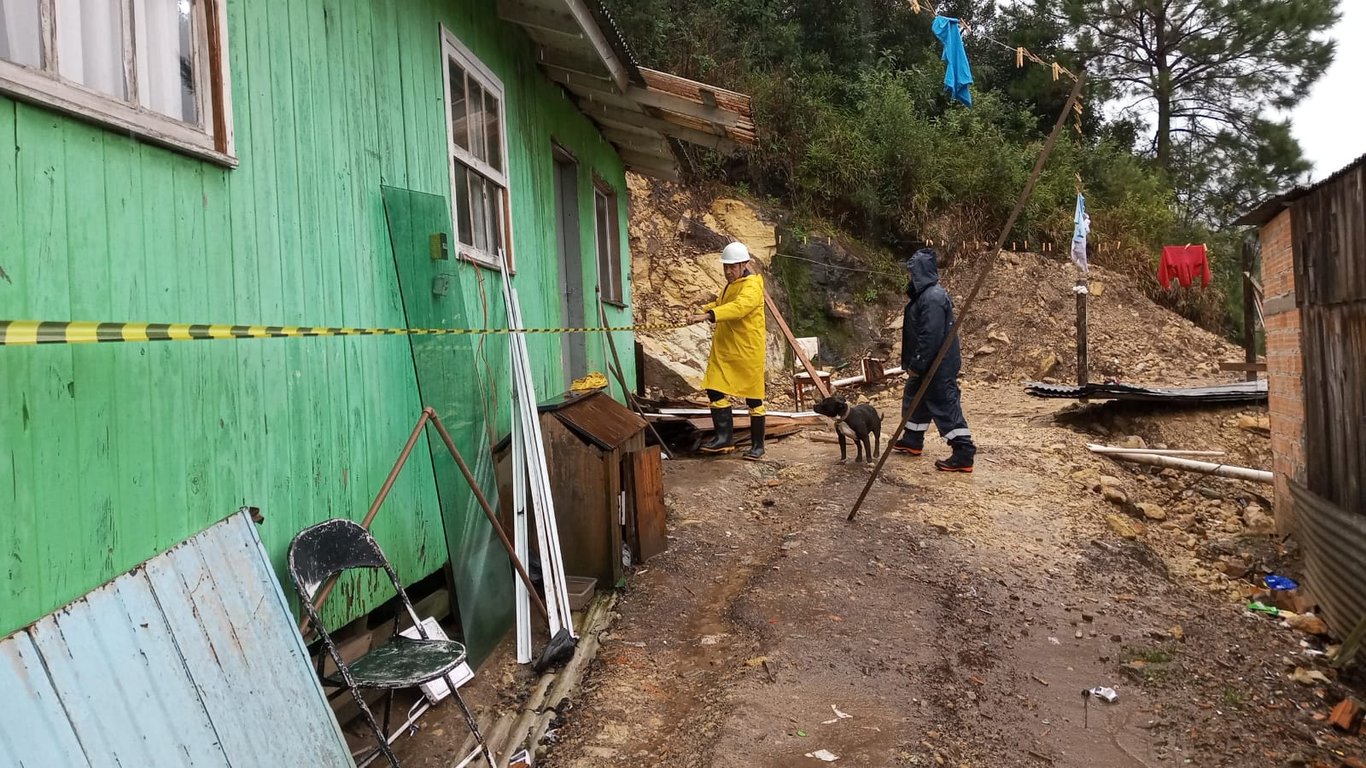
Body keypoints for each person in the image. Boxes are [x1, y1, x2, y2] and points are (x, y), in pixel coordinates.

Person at [891, 247, 976, 472]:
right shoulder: (925, 296)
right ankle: (912, 440)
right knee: (914, 398)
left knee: (944, 404)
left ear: (920, 272)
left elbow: (931, 336)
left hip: (938, 364)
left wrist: (918, 364)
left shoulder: (933, 298)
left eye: (911, 273)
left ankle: (963, 452)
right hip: (927, 362)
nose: (909, 277)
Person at [687, 242, 767, 460]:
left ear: (744, 265)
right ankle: (724, 439)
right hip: (727, 350)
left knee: (753, 399)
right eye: (726, 267)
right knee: (714, 389)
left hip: (747, 351)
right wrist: (703, 310)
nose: (728, 271)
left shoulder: (752, 286)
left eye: (732, 267)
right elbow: (724, 302)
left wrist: (709, 315)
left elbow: (739, 307)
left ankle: (758, 446)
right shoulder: (733, 284)